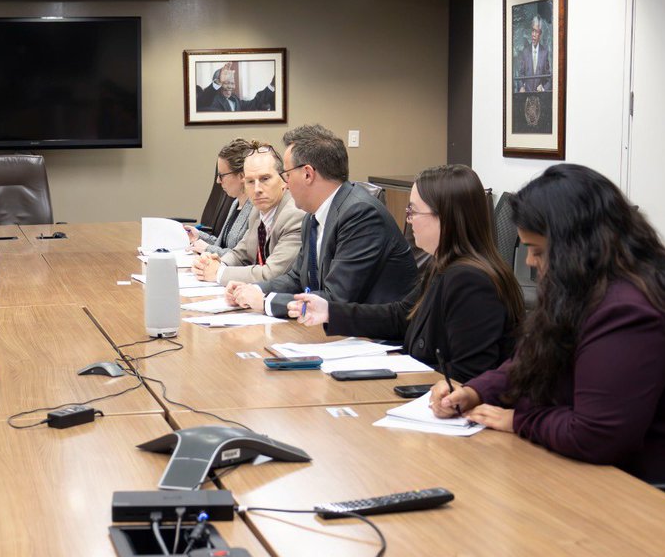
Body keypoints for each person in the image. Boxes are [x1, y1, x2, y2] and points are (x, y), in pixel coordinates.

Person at [430, 164, 665, 524]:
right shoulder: (585, 289)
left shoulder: (630, 311)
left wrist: (520, 420)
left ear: (577, 246)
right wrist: (475, 391)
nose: (530, 262)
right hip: (611, 485)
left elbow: (597, 435)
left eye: (538, 251)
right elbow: (531, 363)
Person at [288, 165, 521, 380]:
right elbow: (401, 316)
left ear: (446, 218)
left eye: (414, 211)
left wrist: (405, 378)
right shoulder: (444, 265)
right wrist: (330, 312)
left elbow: (468, 375)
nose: (409, 220)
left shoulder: (471, 281)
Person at [225, 124, 418, 317]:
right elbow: (296, 278)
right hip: (334, 332)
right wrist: (255, 290)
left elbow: (336, 299)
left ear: (308, 174)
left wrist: (268, 302)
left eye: (287, 174)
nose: (286, 183)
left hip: (376, 339)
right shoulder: (313, 215)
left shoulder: (361, 215)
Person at [193, 144, 304, 285]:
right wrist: (215, 263)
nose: (257, 189)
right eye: (250, 181)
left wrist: (218, 273)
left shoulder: (295, 215)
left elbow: (272, 274)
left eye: (265, 179)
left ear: (284, 180)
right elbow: (241, 254)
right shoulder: (257, 211)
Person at [186, 139, 254, 255]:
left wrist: (207, 249)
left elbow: (242, 257)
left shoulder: (256, 209)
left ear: (242, 175)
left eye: (222, 175)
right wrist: (199, 236)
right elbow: (221, 244)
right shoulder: (236, 203)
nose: (218, 181)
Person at [515, 15, 551, 93]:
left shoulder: (544, 53)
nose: (533, 34)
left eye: (536, 31)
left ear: (540, 34)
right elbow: (520, 75)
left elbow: (548, 79)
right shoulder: (525, 52)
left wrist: (543, 88)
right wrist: (521, 87)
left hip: (540, 98)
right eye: (532, 30)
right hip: (526, 97)